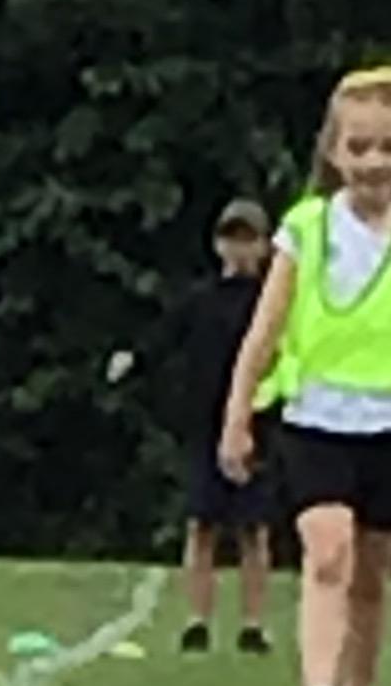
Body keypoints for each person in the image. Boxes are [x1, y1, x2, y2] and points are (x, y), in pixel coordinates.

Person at [220, 65, 391, 686]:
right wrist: (237, 416)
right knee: (327, 550)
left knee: (370, 575)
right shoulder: (305, 231)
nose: (373, 162)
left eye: (388, 147)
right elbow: (265, 331)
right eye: (357, 147)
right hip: (316, 420)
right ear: (332, 152)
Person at [110, 198, 281, 655]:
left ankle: (253, 624)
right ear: (218, 245)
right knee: (202, 526)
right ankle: (197, 620)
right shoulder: (200, 300)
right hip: (206, 428)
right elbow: (164, 336)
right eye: (231, 239)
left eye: (249, 239)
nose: (239, 249)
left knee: (253, 530)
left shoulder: (272, 303)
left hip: (258, 428)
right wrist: (133, 358)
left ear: (264, 246)